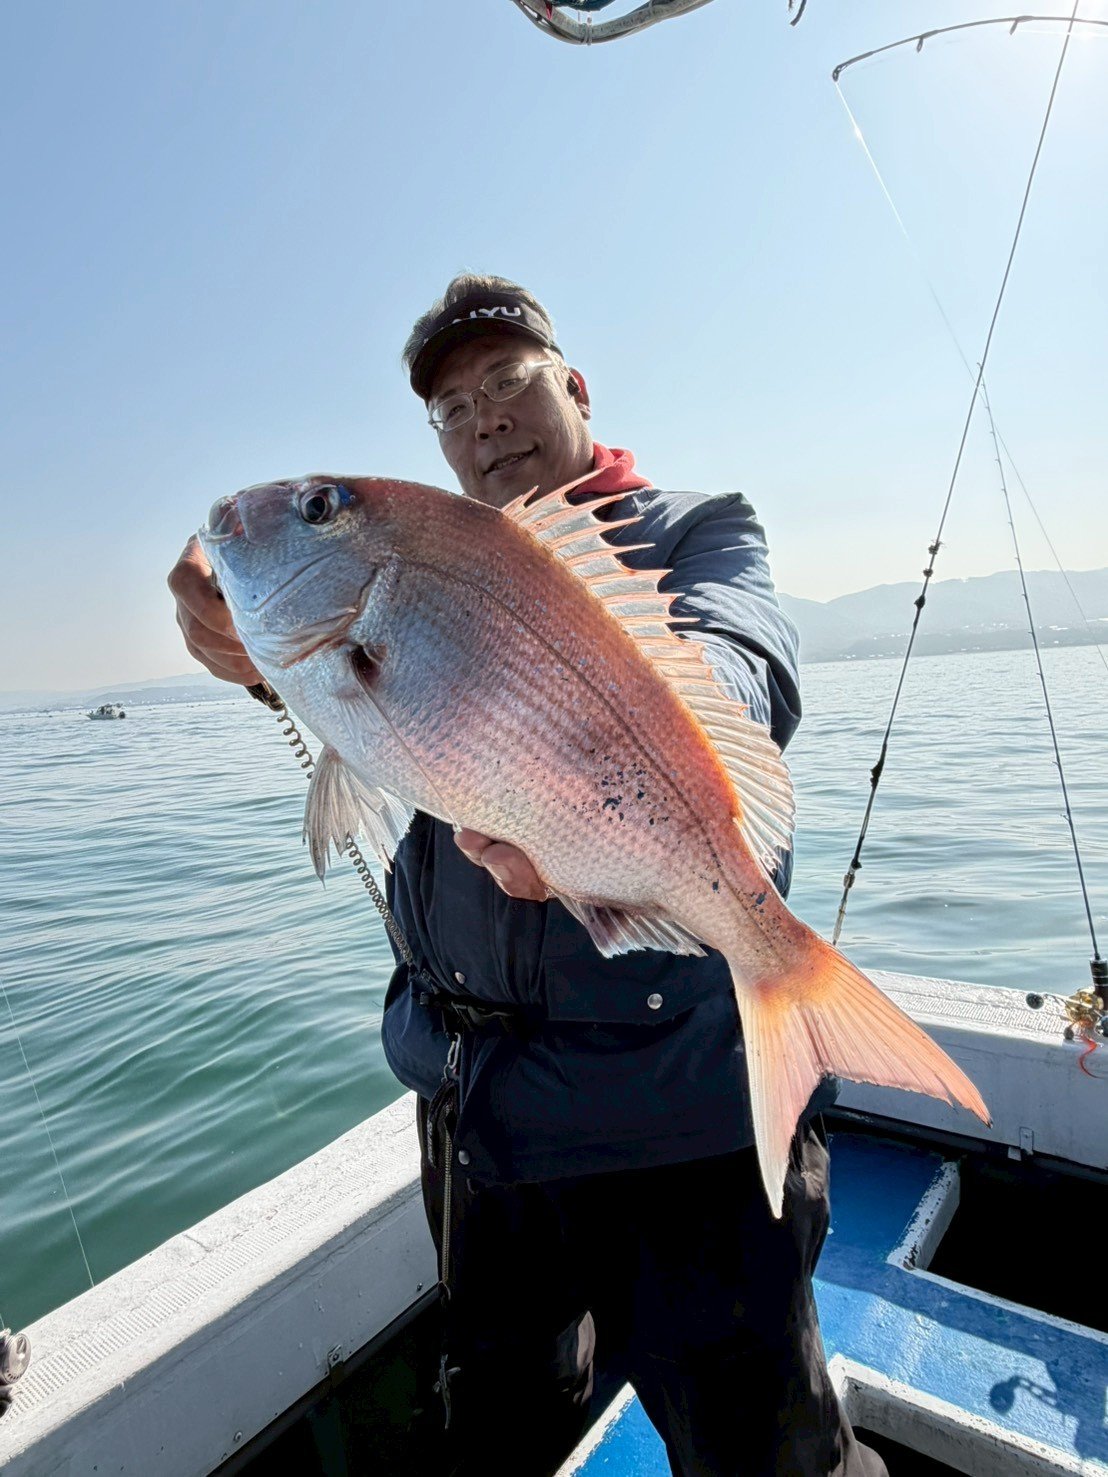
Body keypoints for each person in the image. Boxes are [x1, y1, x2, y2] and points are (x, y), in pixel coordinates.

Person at [169, 274, 888, 1477]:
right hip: (483, 1118)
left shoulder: (698, 526)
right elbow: (373, 715)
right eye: (450, 409)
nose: (484, 419)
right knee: (502, 1429)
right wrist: (261, 657)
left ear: (574, 386)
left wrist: (626, 747)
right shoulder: (427, 560)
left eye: (506, 381)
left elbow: (743, 658)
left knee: (766, 1452)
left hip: (682, 1117)